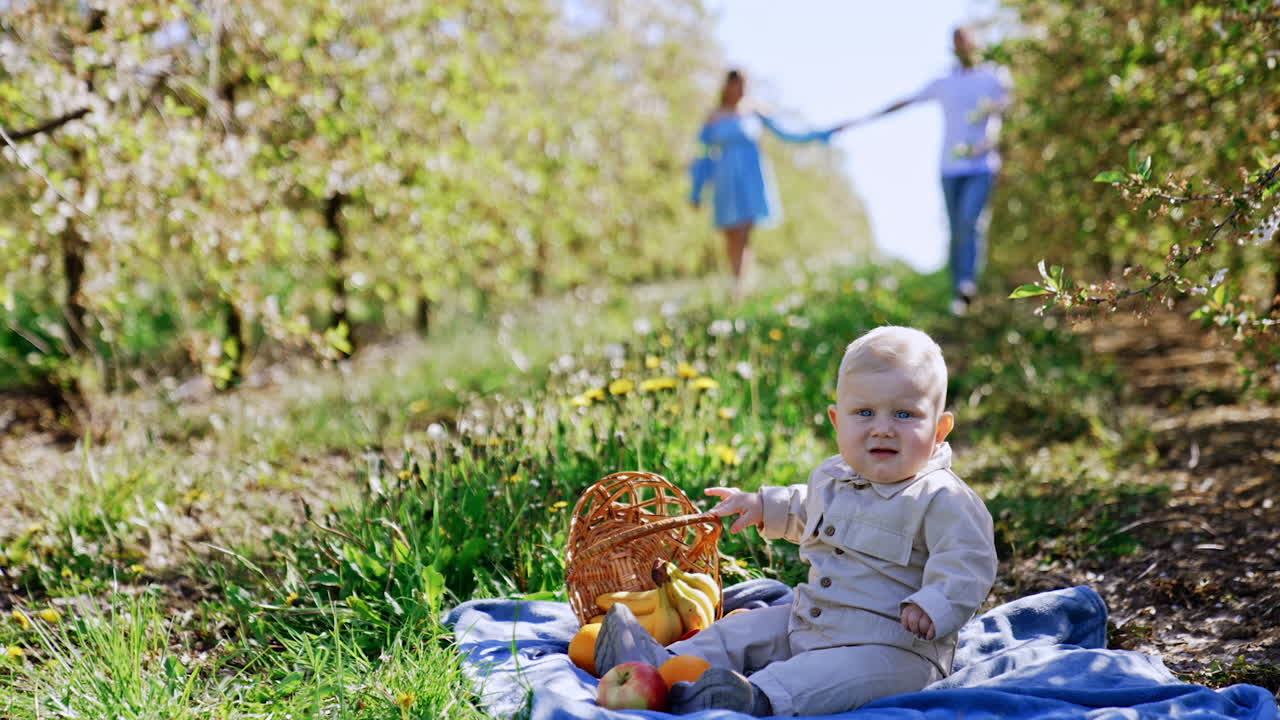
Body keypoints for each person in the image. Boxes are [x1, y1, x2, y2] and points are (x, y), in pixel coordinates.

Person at [595, 325, 997, 716]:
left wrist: (935, 605)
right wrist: (762, 506)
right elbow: (806, 509)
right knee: (743, 631)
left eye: (905, 414)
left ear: (940, 429)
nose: (883, 428)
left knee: (821, 678)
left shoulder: (943, 498)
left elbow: (969, 561)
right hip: (810, 620)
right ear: (838, 422)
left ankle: (751, 697)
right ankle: (658, 660)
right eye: (865, 412)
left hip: (894, 651)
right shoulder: (833, 476)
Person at [845, 25, 1012, 316]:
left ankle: (967, 283)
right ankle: (958, 292)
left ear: (977, 44)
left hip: (981, 165)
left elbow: (1012, 114)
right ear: (953, 47)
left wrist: (1001, 151)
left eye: (966, 40)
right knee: (956, 228)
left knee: (970, 222)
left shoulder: (994, 77)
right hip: (949, 168)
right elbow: (908, 101)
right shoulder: (945, 82)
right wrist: (865, 118)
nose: (962, 46)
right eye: (957, 42)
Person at [689, 69, 842, 302]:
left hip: (750, 179)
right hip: (725, 181)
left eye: (744, 86)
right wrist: (697, 190)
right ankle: (737, 281)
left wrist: (821, 134)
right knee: (731, 235)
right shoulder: (714, 116)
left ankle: (739, 288)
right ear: (727, 86)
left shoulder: (756, 112)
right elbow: (702, 155)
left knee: (743, 233)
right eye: (736, 85)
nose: (740, 90)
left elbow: (789, 134)